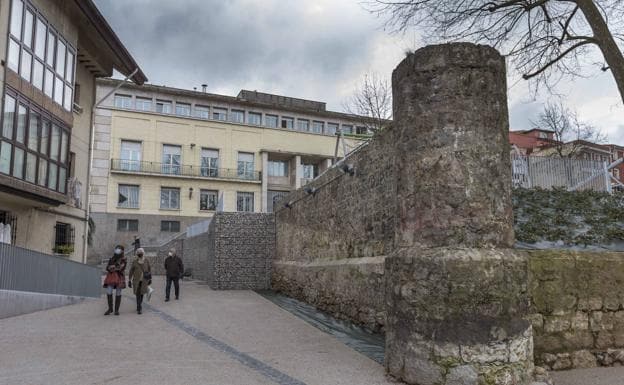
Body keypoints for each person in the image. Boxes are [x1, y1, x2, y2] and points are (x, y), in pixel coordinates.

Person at [102, 245, 127, 316]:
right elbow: (107, 267)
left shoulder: (124, 259)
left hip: (120, 277)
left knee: (118, 292)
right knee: (109, 291)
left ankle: (116, 310)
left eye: (119, 249)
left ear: (122, 251)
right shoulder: (112, 258)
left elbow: (121, 268)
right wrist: (113, 267)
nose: (117, 250)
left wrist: (112, 267)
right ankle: (110, 309)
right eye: (116, 248)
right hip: (111, 277)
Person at [128, 248, 151, 314]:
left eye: (141, 252)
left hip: (144, 281)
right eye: (138, 253)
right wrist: (129, 280)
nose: (139, 254)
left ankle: (139, 305)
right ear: (137, 254)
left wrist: (150, 279)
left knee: (142, 294)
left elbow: (149, 270)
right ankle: (139, 307)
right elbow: (131, 271)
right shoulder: (135, 261)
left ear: (143, 253)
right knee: (138, 294)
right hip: (136, 281)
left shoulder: (146, 261)